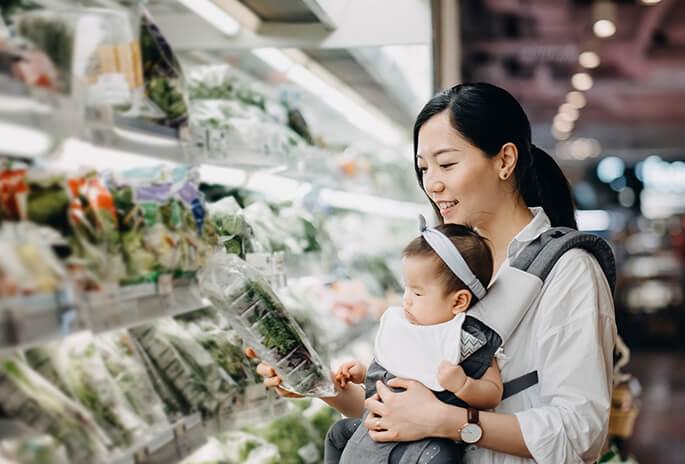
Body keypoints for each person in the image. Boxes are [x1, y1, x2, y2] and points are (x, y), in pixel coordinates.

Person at [250, 83, 617, 463]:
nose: (432, 183)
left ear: (505, 160)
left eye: (447, 163)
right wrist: (316, 384)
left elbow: (581, 431)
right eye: (424, 167)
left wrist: (448, 421)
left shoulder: (568, 272)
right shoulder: (449, 264)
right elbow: (405, 413)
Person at [326, 222, 502, 463]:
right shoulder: (404, 327)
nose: (406, 301)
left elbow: (493, 393)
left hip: (423, 444)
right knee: (338, 433)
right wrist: (364, 374)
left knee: (441, 456)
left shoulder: (467, 340)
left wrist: (463, 385)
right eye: (406, 289)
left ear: (459, 301)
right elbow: (392, 377)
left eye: (417, 293)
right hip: (375, 433)